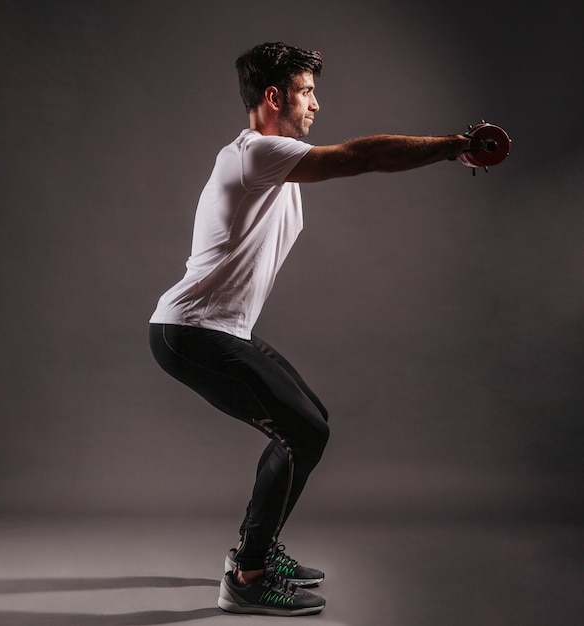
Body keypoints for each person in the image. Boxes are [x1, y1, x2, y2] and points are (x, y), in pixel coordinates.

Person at [149, 42, 475, 617]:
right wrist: (455, 147)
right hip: (193, 331)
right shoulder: (257, 153)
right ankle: (247, 577)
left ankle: (256, 551)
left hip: (221, 330)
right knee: (302, 432)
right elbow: (363, 156)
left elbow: (350, 158)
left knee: (310, 425)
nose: (316, 105)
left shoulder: (274, 160)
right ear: (274, 98)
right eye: (306, 91)